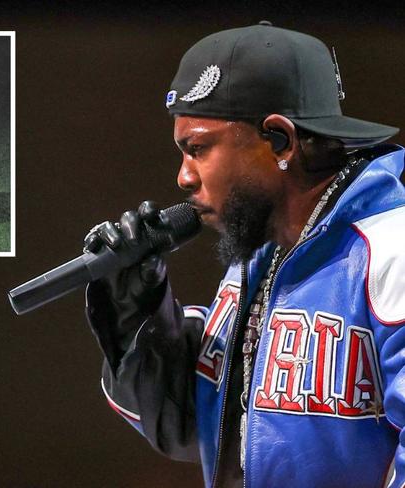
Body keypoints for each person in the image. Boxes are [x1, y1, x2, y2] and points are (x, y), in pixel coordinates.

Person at [82, 23, 405, 487]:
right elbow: (193, 428)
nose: (183, 178)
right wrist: (138, 311)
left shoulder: (391, 246)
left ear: (279, 140)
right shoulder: (259, 256)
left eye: (198, 148)